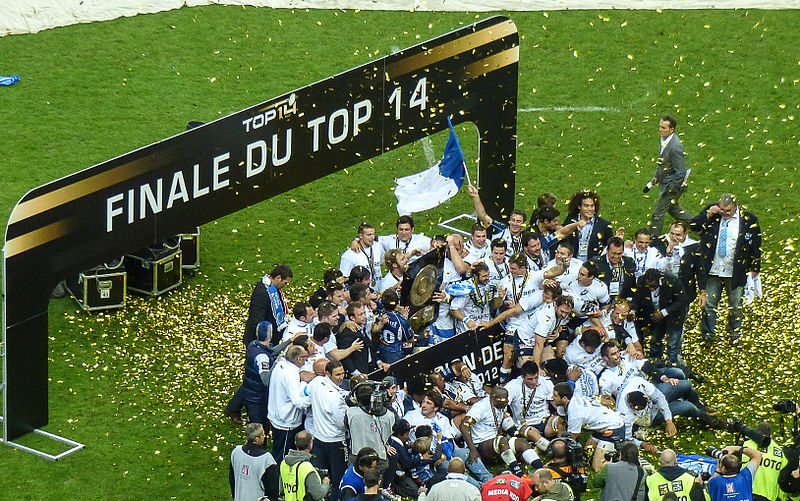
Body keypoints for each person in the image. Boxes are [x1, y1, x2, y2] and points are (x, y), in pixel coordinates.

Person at [690, 193, 761, 344]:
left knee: (735, 305)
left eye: (728, 210)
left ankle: (733, 334)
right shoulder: (712, 213)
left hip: (736, 270)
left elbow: (756, 244)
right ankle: (707, 335)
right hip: (713, 268)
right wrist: (707, 215)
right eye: (722, 210)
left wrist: (755, 267)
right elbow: (693, 226)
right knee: (709, 305)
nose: (725, 213)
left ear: (736, 207)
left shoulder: (749, 219)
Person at [460, 386, 543, 478]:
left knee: (521, 442)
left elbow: (502, 420)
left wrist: (513, 434)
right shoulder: (481, 407)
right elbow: (464, 426)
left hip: (495, 443)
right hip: (479, 445)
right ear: (493, 399)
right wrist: (472, 449)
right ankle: (519, 475)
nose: (506, 403)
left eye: (507, 400)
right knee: (501, 441)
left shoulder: (501, 405)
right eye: (503, 401)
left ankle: (542, 468)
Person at [307, 360, 348, 501]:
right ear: (328, 374)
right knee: (338, 480)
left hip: (318, 439)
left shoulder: (317, 382)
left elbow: (306, 392)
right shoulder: (335, 398)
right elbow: (341, 424)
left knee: (320, 477)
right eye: (337, 374)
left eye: (343, 373)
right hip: (336, 442)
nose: (341, 377)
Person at [631, 268, 688, 363]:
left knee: (672, 343)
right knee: (654, 341)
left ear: (658, 281)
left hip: (673, 315)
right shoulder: (641, 281)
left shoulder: (671, 281)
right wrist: (632, 311)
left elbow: (681, 300)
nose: (650, 288)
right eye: (648, 286)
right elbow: (637, 299)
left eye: (653, 286)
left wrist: (663, 313)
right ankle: (655, 363)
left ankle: (672, 363)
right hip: (654, 316)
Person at [345, 381, 397, 483]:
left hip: (357, 457)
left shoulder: (350, 413)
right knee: (374, 487)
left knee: (354, 485)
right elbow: (391, 431)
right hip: (378, 458)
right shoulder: (390, 415)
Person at [648, 115, 691, 235]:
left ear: (671, 130)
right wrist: (657, 176)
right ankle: (699, 225)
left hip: (673, 186)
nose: (660, 130)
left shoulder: (675, 147)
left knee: (657, 214)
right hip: (669, 183)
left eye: (663, 127)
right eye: (660, 126)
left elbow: (680, 172)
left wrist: (672, 189)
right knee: (674, 210)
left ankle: (653, 240)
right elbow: (663, 162)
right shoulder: (665, 141)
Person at [268, 345, 310, 464]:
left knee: (277, 448)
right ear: (299, 359)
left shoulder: (280, 365)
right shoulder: (291, 375)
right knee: (282, 455)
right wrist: (313, 398)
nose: (306, 360)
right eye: (305, 358)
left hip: (275, 415)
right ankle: (277, 473)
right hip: (286, 422)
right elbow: (298, 402)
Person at [504, 361, 556, 450]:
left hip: (545, 420)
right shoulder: (513, 386)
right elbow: (501, 408)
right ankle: (550, 449)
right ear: (522, 377)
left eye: (536, 378)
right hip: (525, 424)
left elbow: (555, 403)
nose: (534, 382)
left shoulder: (545, 382)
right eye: (530, 379)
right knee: (531, 433)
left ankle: (565, 443)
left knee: (559, 422)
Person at [469, 184, 527, 257]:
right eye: (513, 220)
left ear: (524, 223)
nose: (515, 224)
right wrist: (476, 196)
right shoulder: (500, 229)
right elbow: (483, 216)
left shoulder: (526, 237)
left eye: (518, 221)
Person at [229, 423, 279, 501]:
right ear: (256, 439)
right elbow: (273, 491)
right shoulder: (266, 459)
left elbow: (232, 480)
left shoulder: (236, 452)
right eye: (262, 434)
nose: (265, 436)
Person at [450, 262, 502, 334]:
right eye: (484, 276)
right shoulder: (466, 287)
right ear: (475, 276)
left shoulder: (491, 286)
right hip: (468, 330)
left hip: (485, 327)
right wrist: (467, 320)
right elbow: (453, 310)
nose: (487, 278)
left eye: (488, 275)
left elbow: (494, 306)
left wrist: (500, 298)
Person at [280, 430, 331, 501]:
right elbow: (318, 494)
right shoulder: (307, 468)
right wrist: (326, 482)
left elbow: (282, 490)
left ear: (295, 443)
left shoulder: (283, 463)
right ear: (311, 445)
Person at [562, 190, 612, 262]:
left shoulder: (603, 224)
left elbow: (610, 244)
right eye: (586, 206)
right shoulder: (570, 221)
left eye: (592, 206)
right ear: (579, 206)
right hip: (572, 262)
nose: (590, 209)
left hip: (593, 263)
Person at [590, 236, 636, 303]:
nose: (616, 256)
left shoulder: (629, 262)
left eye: (619, 254)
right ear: (607, 250)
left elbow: (632, 285)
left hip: (623, 302)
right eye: (613, 253)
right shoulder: (596, 264)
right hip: (602, 303)